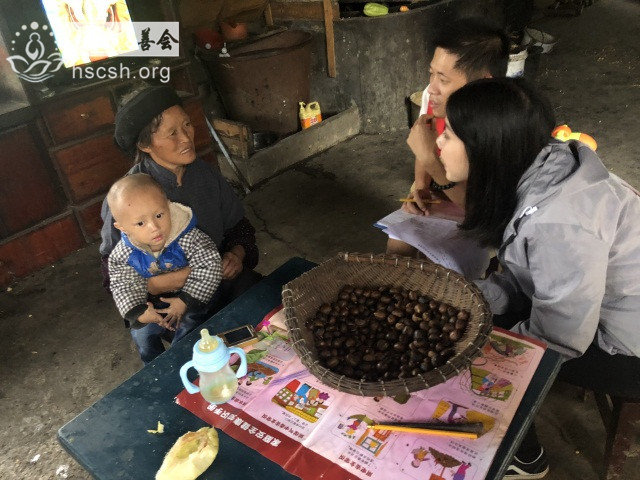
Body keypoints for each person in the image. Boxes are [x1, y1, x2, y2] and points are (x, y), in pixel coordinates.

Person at [438, 77, 640, 479]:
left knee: (469, 351)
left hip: (629, 348)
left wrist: (482, 344)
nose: (439, 143)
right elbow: (525, 274)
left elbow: (561, 336)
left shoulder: (559, 223)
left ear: (485, 148)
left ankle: (525, 457)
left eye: (449, 134)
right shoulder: (543, 164)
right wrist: (469, 299)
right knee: (469, 319)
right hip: (591, 307)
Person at [100, 85, 262, 334]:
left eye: (187, 125)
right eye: (172, 133)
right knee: (199, 346)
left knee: (271, 304)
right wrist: (157, 284)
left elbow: (239, 227)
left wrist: (236, 255)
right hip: (167, 304)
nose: (186, 138)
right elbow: (113, 273)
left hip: (219, 280)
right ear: (145, 145)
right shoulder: (127, 199)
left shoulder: (206, 175)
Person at [387, 17, 510, 257]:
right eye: (431, 74)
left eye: (443, 79)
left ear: (482, 84)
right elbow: (425, 143)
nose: (431, 88)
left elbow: (480, 213)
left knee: (448, 261)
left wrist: (431, 162)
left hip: (484, 208)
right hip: (442, 184)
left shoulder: (501, 125)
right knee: (398, 244)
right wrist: (421, 187)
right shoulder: (435, 98)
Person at [107, 173, 222, 364]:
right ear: (123, 227)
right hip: (155, 302)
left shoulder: (187, 235)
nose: (154, 227)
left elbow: (210, 264)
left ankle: (185, 363)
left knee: (188, 329)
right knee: (142, 334)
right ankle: (155, 368)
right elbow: (122, 284)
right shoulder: (123, 254)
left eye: (159, 215)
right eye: (141, 223)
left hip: (193, 294)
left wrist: (185, 301)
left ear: (168, 206)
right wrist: (141, 312)